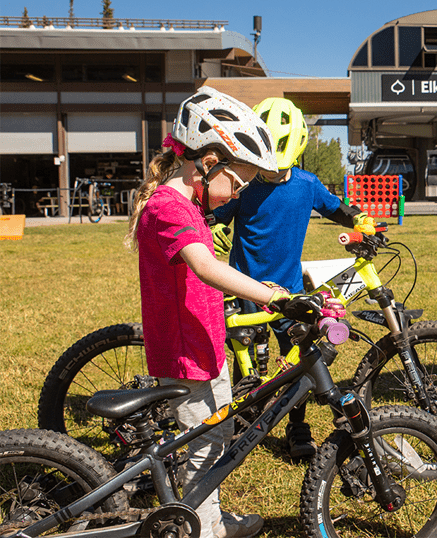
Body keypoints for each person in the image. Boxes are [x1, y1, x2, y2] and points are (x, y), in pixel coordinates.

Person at [123, 86, 310, 538]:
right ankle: (205, 530)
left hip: (202, 346)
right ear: (209, 164)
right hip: (188, 358)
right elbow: (205, 268)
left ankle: (213, 519)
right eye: (238, 182)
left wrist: (264, 286)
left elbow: (208, 268)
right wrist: (277, 299)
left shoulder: (184, 205)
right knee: (205, 450)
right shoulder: (170, 207)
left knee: (215, 440)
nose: (237, 194)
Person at [210, 97, 375, 459]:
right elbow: (217, 215)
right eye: (263, 167)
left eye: (275, 169)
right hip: (245, 287)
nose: (267, 174)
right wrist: (216, 229)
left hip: (289, 291)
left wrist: (359, 218)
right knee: (246, 359)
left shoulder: (306, 184)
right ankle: (244, 418)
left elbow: (336, 208)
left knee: (297, 359)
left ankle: (297, 425)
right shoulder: (246, 185)